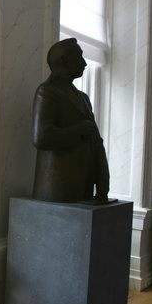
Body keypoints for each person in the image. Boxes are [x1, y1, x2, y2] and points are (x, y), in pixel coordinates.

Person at [32, 38, 110, 203]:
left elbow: (96, 142)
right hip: (56, 188)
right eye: (79, 58)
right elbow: (42, 137)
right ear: (63, 62)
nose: (84, 63)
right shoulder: (47, 92)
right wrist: (79, 130)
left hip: (83, 188)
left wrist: (103, 183)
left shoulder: (82, 97)